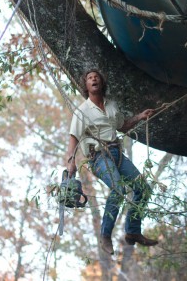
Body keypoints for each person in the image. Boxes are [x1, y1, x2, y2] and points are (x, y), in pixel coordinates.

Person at [65, 69, 158, 255]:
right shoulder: (82, 111)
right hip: (98, 157)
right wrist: (70, 164)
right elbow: (73, 138)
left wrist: (139, 116)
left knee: (143, 188)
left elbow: (122, 125)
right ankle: (105, 235)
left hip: (117, 153)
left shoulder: (111, 105)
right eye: (90, 78)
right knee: (118, 189)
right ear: (86, 85)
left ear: (101, 82)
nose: (93, 79)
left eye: (96, 77)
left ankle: (132, 232)